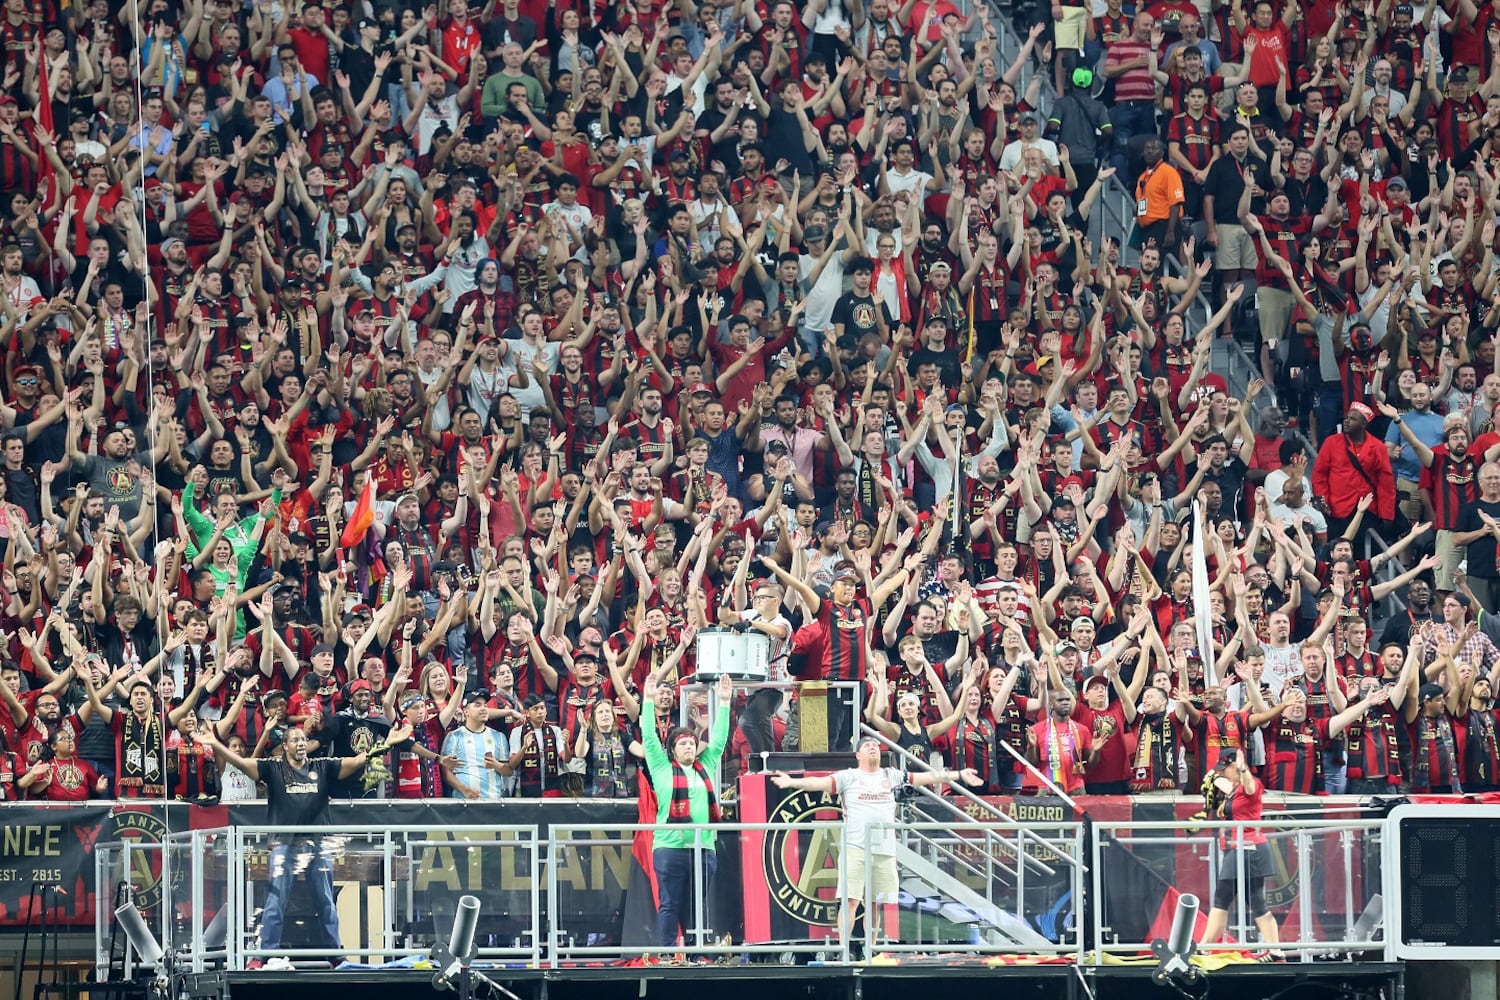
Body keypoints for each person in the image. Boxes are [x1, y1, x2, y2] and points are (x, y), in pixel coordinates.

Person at [196, 721, 412, 965]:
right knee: (276, 902)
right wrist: (215, 744)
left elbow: (357, 761)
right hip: (283, 844)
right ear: (285, 746)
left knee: (325, 901)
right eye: (295, 740)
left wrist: (386, 745)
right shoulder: (273, 768)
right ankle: (263, 956)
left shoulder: (322, 766)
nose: (301, 743)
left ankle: (336, 957)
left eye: (303, 740)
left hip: (319, 844)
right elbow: (244, 765)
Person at [769, 735, 981, 955]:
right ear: (858, 755)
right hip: (855, 848)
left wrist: (957, 774)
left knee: (876, 904)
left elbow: (925, 777)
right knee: (851, 902)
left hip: (885, 849)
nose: (873, 748)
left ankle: (872, 949)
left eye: (875, 746)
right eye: (867, 746)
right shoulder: (849, 777)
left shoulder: (892, 775)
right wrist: (793, 782)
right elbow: (819, 783)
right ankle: (844, 950)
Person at [641, 672, 733, 950]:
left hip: (703, 847)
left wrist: (726, 703)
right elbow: (648, 736)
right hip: (669, 847)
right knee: (670, 903)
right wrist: (647, 701)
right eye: (683, 743)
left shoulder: (705, 767)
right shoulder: (660, 768)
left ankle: (695, 951)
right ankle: (668, 951)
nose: (689, 746)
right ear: (672, 749)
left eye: (692, 743)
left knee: (697, 906)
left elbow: (717, 742)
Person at [1197, 749, 1283, 959]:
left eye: (1225, 769)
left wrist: (1243, 768)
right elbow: (1220, 782)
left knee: (1223, 897)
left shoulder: (1250, 784)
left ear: (1234, 767)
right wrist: (1213, 777)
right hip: (1239, 849)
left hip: (1247, 849)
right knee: (1254, 900)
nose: (1223, 773)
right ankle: (1276, 950)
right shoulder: (1234, 788)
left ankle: (1205, 947)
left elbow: (1250, 786)